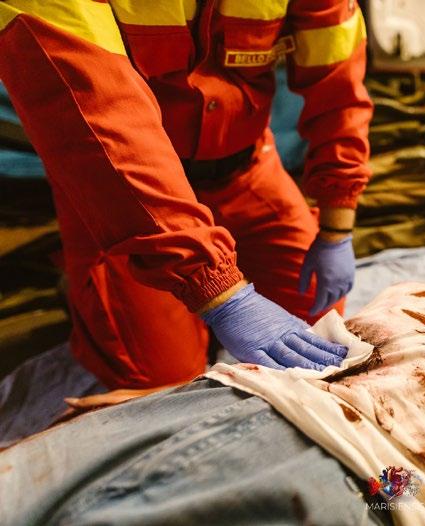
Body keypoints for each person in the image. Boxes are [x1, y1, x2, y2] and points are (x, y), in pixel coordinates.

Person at [0, 1, 372, 389]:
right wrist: (221, 295)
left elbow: (339, 85)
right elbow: (98, 113)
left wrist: (337, 224)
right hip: (126, 185)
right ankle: (90, 284)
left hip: (247, 169)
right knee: (161, 379)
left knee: (318, 323)